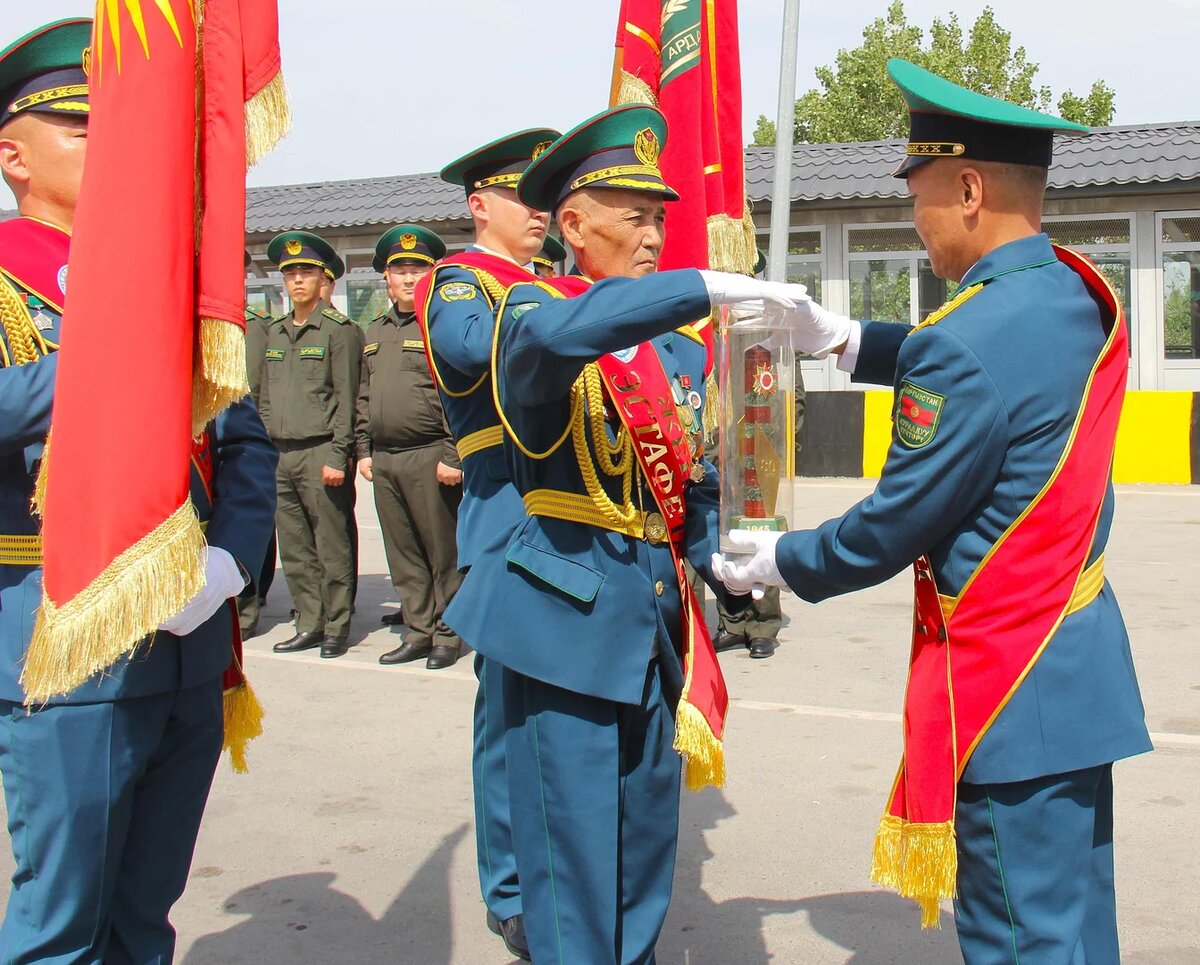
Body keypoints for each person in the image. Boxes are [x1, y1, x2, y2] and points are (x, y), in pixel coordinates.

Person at [713, 60, 1152, 961]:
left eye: (918, 198)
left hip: (1007, 688)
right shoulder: (1073, 292)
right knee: (1076, 930)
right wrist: (849, 340)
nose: (916, 223)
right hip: (1078, 673)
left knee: (1020, 941)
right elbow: (992, 363)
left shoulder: (964, 339)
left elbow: (892, 523)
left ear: (969, 190)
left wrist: (780, 559)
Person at [445, 104, 807, 964]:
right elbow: (563, 336)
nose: (653, 235)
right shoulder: (532, 309)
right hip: (562, 628)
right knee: (572, 874)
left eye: (660, 219)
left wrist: (729, 554)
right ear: (573, 226)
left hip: (653, 622)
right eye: (634, 216)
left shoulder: (678, 350)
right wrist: (700, 286)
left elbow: (691, 483)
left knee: (645, 855)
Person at [0, 20, 277, 961]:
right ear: (15, 157)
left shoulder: (172, 271)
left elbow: (243, 437)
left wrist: (230, 559)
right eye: (85, 130)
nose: (117, 147)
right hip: (65, 627)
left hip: (189, 634)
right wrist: (113, 351)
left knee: (145, 914)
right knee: (62, 922)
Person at [415, 125, 560, 961]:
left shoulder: (551, 285)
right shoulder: (461, 281)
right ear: (479, 205)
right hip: (507, 509)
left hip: (569, 510)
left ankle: (555, 868)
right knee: (508, 714)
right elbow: (472, 349)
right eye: (522, 195)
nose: (540, 211)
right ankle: (510, 888)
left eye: (547, 198)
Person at [357, 224, 464, 670]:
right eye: (399, 269)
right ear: (386, 277)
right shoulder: (374, 331)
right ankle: (418, 631)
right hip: (385, 458)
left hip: (430, 455)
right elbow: (364, 394)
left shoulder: (440, 325)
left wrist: (452, 455)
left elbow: (459, 395)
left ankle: (448, 634)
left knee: (442, 553)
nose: (407, 277)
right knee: (403, 552)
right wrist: (363, 449)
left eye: (417, 269)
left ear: (432, 273)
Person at [260, 230, 361, 659]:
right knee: (295, 547)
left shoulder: (339, 331)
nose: (298, 281)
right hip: (280, 454)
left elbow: (348, 399)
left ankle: (336, 626)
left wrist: (339, 454)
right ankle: (308, 622)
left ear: (323, 279)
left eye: (306, 273)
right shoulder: (275, 332)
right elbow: (266, 398)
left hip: (322, 451)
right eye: (291, 274)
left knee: (331, 545)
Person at [239, 248, 278, 639]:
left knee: (250, 520)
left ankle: (249, 605)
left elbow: (264, 387)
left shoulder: (256, 327)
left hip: (250, 436)